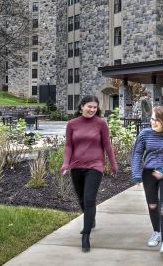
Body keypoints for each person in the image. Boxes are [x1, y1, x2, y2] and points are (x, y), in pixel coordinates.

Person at [61, 95, 118, 252]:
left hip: (95, 165)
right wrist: (66, 163)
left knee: (89, 198)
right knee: (81, 198)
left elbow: (107, 145)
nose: (92, 109)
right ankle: (90, 219)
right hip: (76, 166)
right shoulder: (72, 124)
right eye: (89, 107)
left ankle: (85, 235)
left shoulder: (101, 123)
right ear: (82, 107)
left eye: (95, 107)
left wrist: (113, 164)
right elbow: (68, 146)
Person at [131, 106, 163, 258]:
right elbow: (137, 153)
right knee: (153, 205)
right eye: (152, 119)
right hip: (149, 174)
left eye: (156, 120)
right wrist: (136, 173)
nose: (152, 122)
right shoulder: (145, 134)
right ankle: (157, 233)